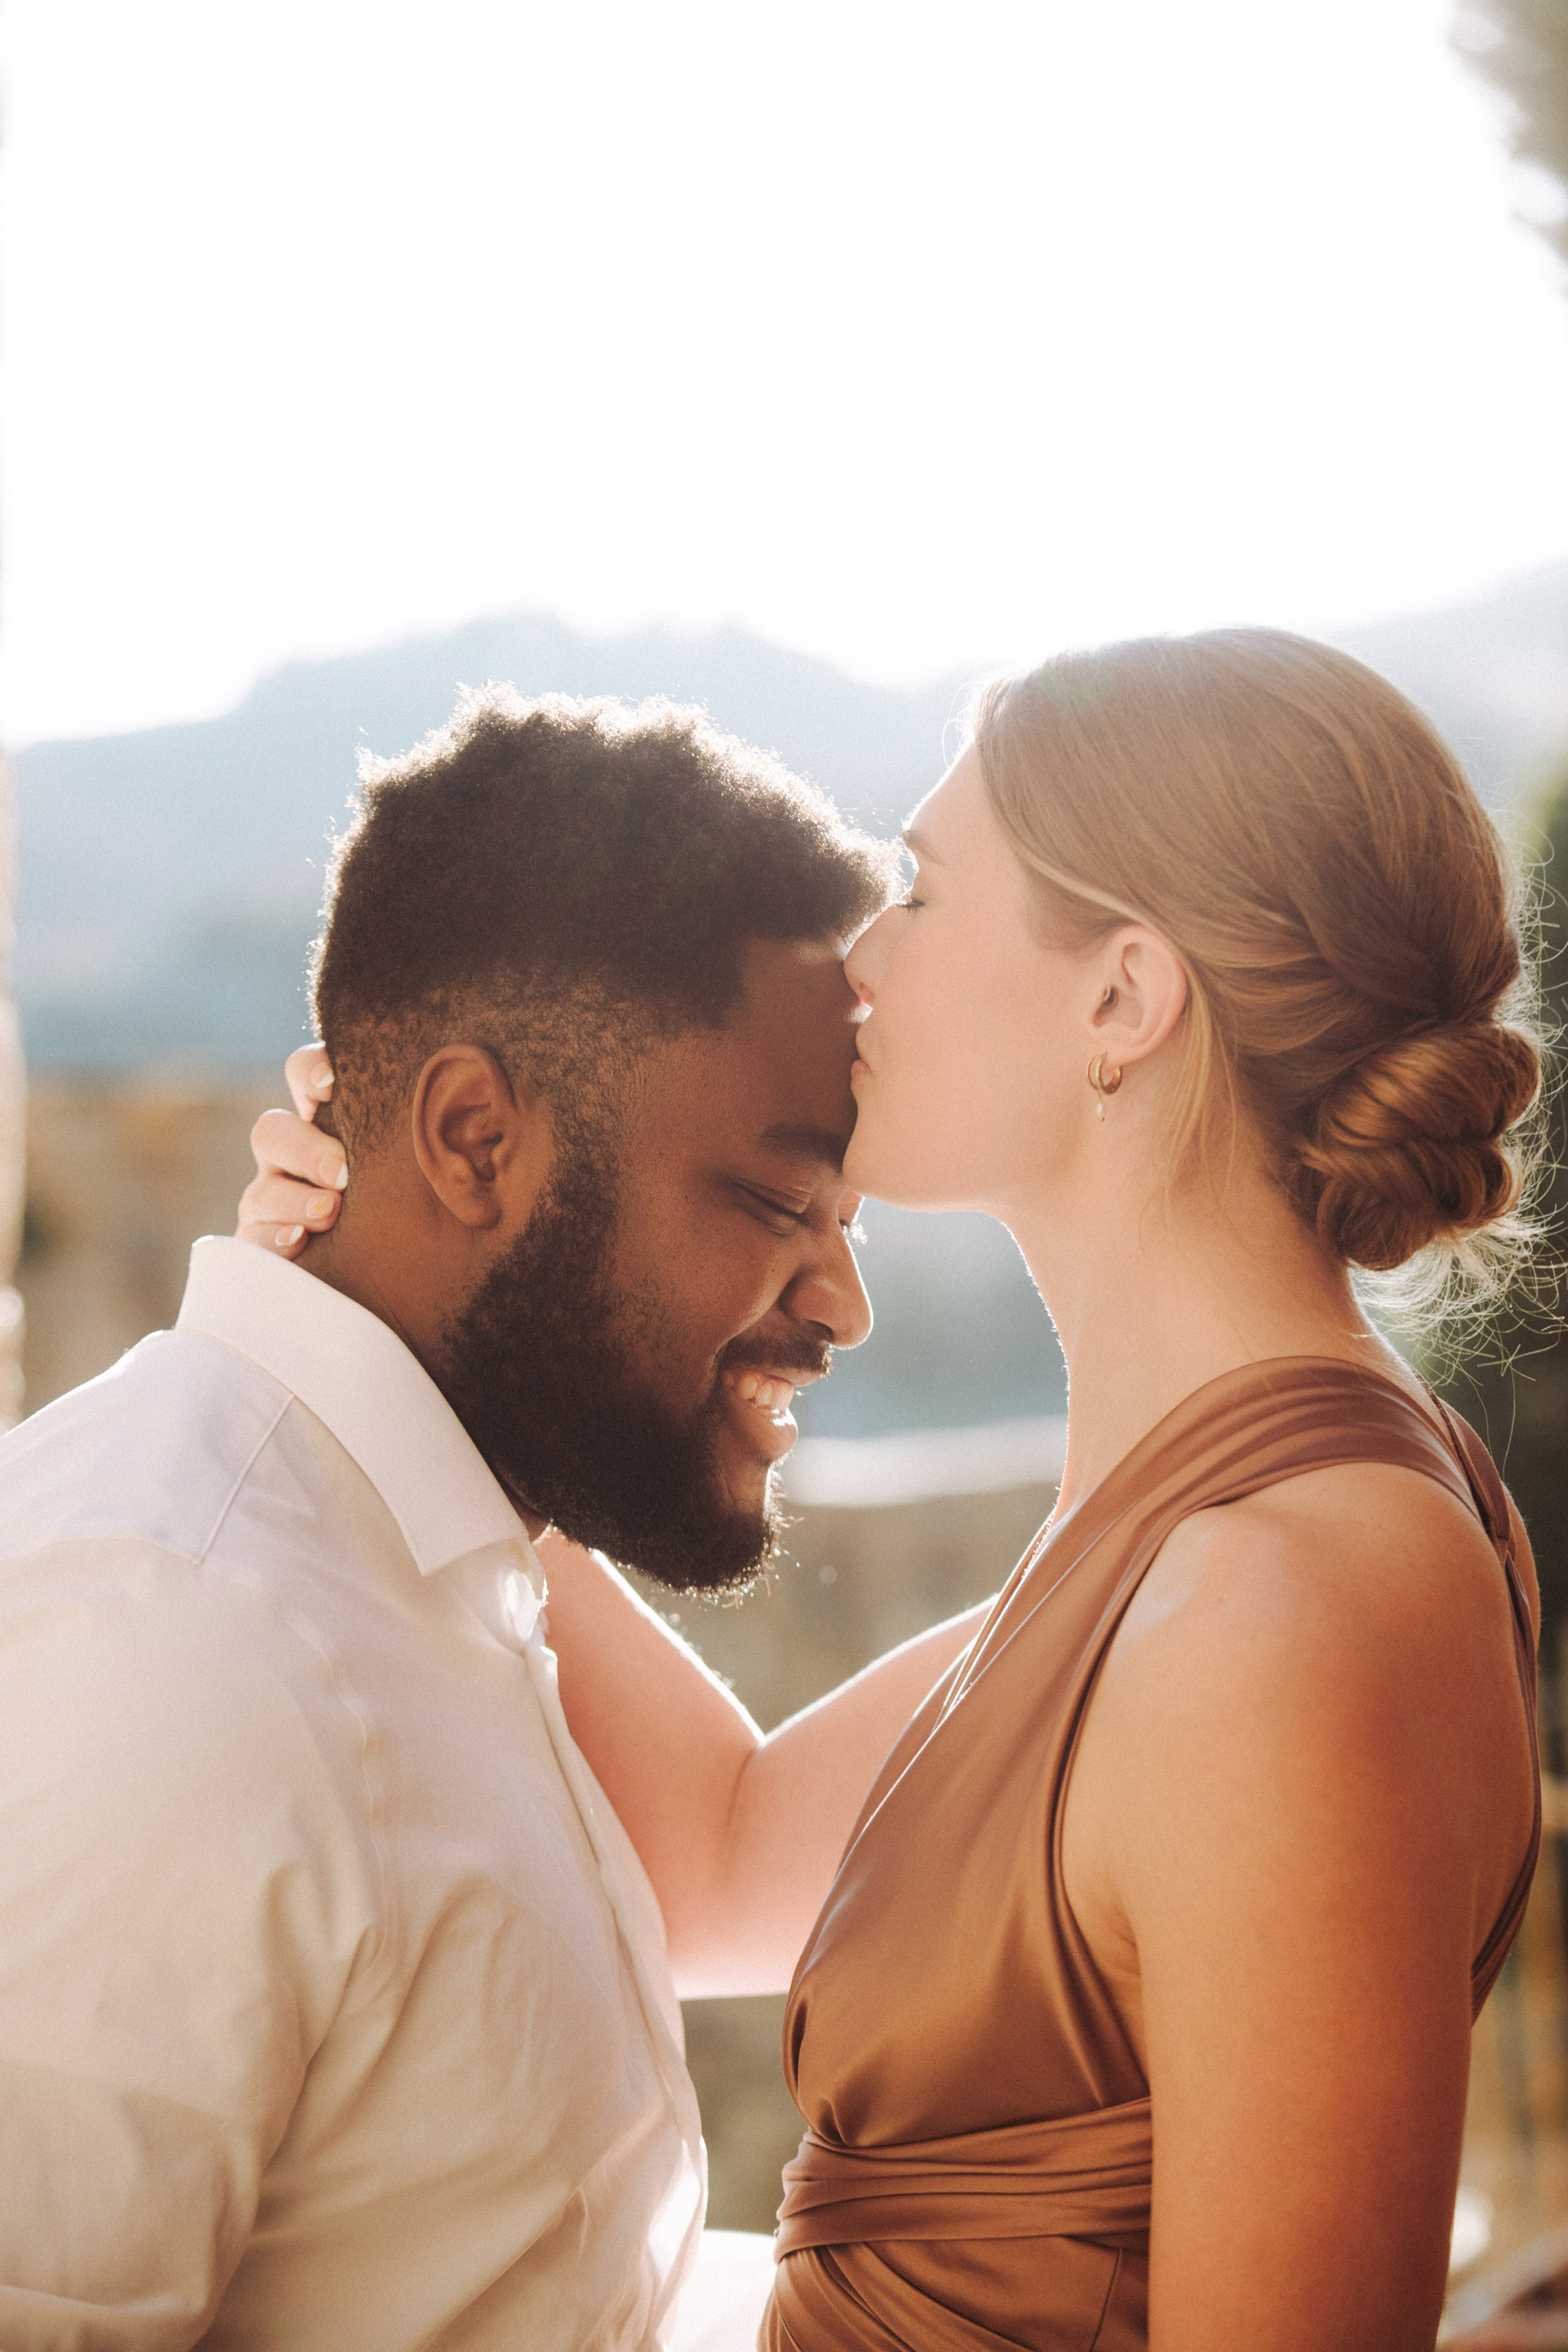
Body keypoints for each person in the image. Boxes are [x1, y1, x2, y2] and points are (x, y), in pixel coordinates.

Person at [254, 628, 1547, 2352]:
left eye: (924, 895)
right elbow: (719, 1862)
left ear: (1124, 999)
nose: (862, 961)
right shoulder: (1192, 1536)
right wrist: (425, 1314)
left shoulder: (1276, 1609)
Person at [0, 690, 993, 2351]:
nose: (843, 1306)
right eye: (775, 1200)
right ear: (474, 1137)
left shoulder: (427, 1560)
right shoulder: (171, 1648)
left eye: (854, 1223)